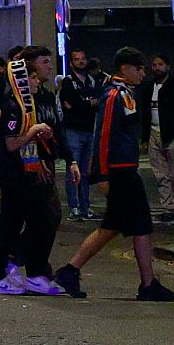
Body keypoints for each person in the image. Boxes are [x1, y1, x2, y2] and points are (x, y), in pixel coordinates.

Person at [56, 47, 174, 301]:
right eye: (139, 68)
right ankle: (146, 283)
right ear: (125, 68)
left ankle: (73, 270)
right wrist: (100, 174)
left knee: (116, 226)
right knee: (135, 225)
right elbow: (103, 134)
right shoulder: (114, 95)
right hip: (119, 171)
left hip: (124, 169)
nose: (143, 73)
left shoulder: (123, 93)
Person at [0, 46, 77, 296]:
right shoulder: (13, 105)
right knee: (17, 221)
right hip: (17, 172)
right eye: (40, 66)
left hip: (38, 169)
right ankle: (3, 272)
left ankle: (34, 271)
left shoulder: (45, 98)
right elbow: (12, 142)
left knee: (46, 219)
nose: (45, 71)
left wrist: (68, 159)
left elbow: (55, 130)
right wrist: (34, 132)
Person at [139, 53, 174, 217]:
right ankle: (168, 207)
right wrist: (145, 137)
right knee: (161, 175)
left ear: (168, 66)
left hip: (173, 136)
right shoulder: (149, 88)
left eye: (160, 64)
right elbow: (145, 114)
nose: (157, 68)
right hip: (153, 134)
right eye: (154, 65)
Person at [58, 48, 103, 221]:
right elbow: (70, 103)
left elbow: (95, 101)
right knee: (73, 170)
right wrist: (87, 103)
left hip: (88, 130)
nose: (81, 62)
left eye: (83, 58)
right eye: (77, 59)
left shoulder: (92, 81)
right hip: (73, 131)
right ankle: (74, 207)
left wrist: (84, 103)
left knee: (86, 172)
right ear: (71, 63)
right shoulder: (68, 82)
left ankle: (85, 206)